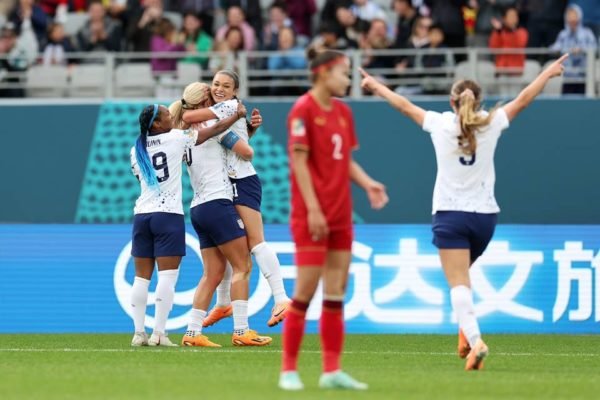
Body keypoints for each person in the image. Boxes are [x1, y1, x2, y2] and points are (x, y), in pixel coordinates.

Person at [359, 54, 569, 370]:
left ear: (452, 101)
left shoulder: (441, 123)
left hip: (450, 215)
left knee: (457, 282)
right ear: (480, 102)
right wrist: (547, 73)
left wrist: (375, 85)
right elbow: (523, 99)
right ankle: (464, 336)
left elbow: (404, 105)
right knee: (464, 275)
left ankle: (476, 340)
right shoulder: (492, 122)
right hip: (485, 219)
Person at [279, 49, 388, 391]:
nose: (347, 78)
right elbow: (299, 162)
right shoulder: (303, 110)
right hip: (312, 216)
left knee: (336, 292)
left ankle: (331, 370)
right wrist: (312, 208)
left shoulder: (344, 112)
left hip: (341, 215)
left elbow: (345, 161)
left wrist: (368, 182)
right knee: (305, 291)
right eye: (343, 72)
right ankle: (289, 371)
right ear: (324, 72)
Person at [175, 71, 292, 328]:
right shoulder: (220, 117)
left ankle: (282, 298)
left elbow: (245, 152)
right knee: (229, 248)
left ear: (235, 92)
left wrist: (240, 127)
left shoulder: (225, 109)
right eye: (215, 84)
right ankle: (223, 303)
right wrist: (249, 130)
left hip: (241, 183)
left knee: (255, 244)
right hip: (234, 183)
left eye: (225, 86)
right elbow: (238, 144)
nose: (219, 89)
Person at [129, 102, 246, 347]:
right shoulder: (175, 138)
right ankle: (159, 334)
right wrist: (235, 115)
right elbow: (212, 131)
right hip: (168, 215)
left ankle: (138, 333)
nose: (172, 117)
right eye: (166, 115)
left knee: (141, 279)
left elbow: (141, 177)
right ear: (158, 124)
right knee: (167, 278)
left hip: (142, 215)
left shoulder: (136, 149)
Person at [550, 4, 597, 94]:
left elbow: (594, 48)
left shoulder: (587, 33)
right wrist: (560, 50)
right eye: (569, 16)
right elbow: (554, 48)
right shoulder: (563, 34)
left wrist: (582, 50)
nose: (572, 19)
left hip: (584, 78)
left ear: (579, 17)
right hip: (568, 78)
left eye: (574, 16)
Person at [489, 7, 528, 75]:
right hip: (501, 70)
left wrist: (512, 30)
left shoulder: (522, 32)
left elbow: (519, 44)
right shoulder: (498, 32)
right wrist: (499, 32)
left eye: (515, 16)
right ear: (504, 18)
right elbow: (493, 47)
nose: (513, 18)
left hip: (517, 71)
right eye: (510, 16)